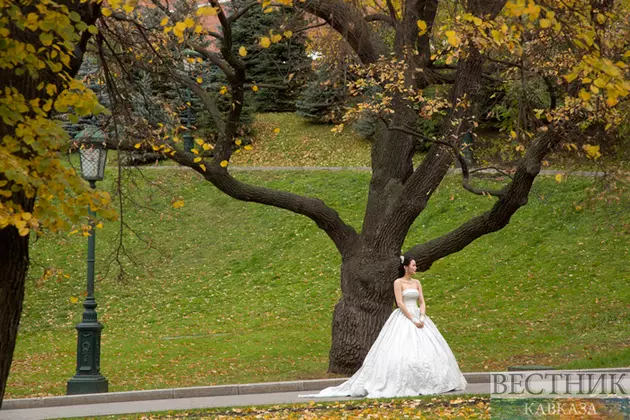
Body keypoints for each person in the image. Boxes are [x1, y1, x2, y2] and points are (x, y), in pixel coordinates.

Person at [300, 255, 467, 398]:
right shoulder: (398, 282)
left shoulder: (417, 283)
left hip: (418, 315)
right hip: (405, 316)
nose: (416, 267)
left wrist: (421, 316)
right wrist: (412, 319)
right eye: (414, 265)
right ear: (406, 267)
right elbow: (400, 303)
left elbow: (422, 301)